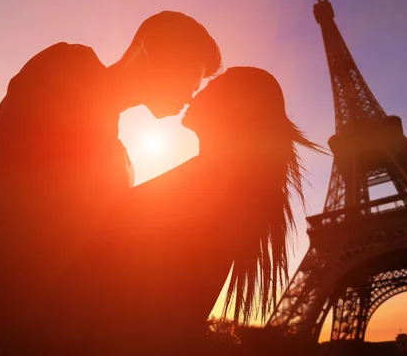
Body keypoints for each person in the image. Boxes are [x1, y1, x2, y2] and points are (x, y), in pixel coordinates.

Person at [0, 11, 221, 354]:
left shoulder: (120, 160)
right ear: (152, 45)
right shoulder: (67, 67)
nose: (191, 95)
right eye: (192, 77)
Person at [86, 67, 323, 354]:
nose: (198, 92)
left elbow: (110, 245)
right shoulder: (226, 182)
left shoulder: (214, 182)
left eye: (212, 87)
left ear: (233, 106)